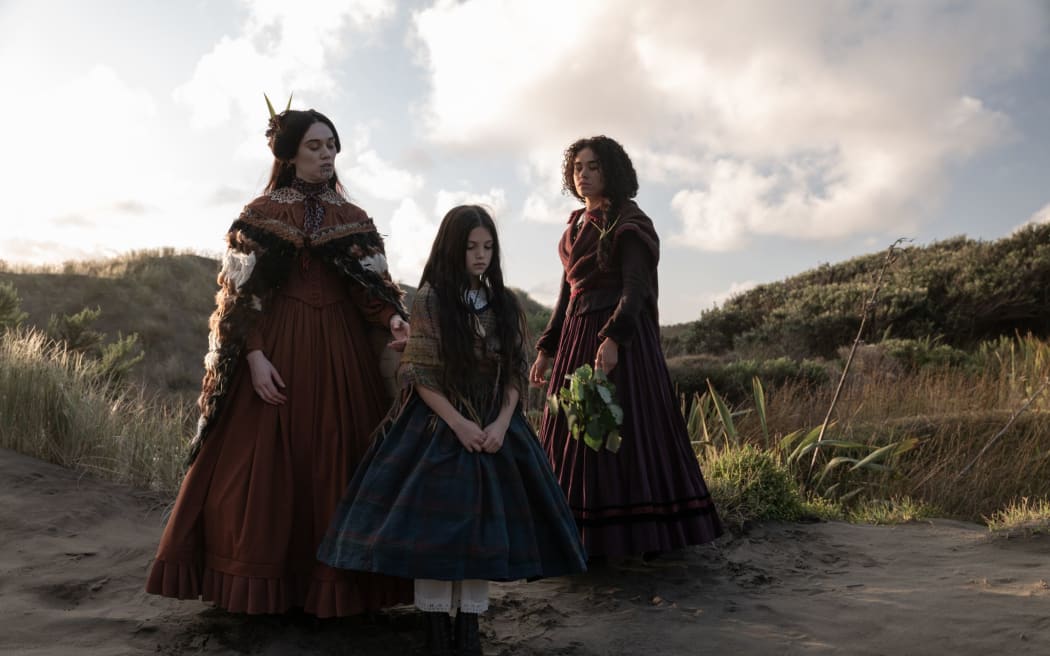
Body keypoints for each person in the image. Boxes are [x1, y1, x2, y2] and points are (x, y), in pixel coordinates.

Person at [145, 105, 413, 617]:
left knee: (340, 455)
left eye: (332, 145)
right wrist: (254, 356)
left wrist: (395, 320)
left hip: (341, 353)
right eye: (315, 146)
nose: (326, 154)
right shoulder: (261, 213)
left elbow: (372, 288)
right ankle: (260, 584)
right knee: (258, 465)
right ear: (288, 155)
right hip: (277, 350)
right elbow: (239, 297)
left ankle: (339, 587)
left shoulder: (353, 218)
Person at [317, 205, 587, 656]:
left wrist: (500, 425)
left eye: (487, 247)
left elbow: (515, 375)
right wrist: (461, 425)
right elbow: (420, 373)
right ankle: (437, 632)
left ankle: (469, 632)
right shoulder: (430, 300)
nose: (480, 255)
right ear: (451, 248)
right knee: (437, 534)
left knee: (479, 532)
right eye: (470, 247)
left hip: (496, 427)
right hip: (440, 424)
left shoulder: (505, 302)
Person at [529, 135, 724, 560]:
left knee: (628, 429)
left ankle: (635, 540)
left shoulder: (629, 222)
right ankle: (572, 537)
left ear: (611, 171)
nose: (583, 174)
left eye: (593, 166)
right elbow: (566, 295)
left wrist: (615, 337)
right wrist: (547, 347)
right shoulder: (573, 227)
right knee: (574, 432)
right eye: (578, 167)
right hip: (576, 338)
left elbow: (635, 289)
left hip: (620, 339)